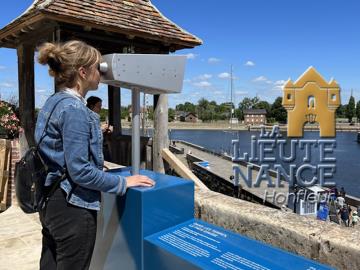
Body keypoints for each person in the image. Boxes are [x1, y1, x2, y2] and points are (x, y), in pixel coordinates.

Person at [35, 40, 154, 270]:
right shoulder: (75, 110)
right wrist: (122, 182)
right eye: (97, 68)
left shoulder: (53, 102)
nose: (101, 72)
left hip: (50, 201)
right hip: (72, 209)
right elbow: (80, 171)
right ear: (82, 72)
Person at [86, 96, 113, 161]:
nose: (100, 109)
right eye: (99, 106)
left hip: (99, 150)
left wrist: (106, 131)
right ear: (92, 106)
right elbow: (86, 136)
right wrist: (100, 130)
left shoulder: (94, 118)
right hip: (93, 153)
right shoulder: (85, 118)